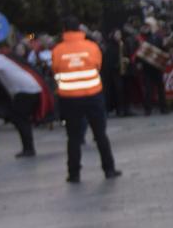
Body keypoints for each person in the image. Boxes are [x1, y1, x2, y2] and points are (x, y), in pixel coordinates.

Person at [51, 21, 122, 184]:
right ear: (79, 29)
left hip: (69, 98)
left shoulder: (58, 50)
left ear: (64, 30)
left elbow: (55, 69)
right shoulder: (91, 46)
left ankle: (74, 174)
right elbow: (98, 65)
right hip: (93, 95)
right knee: (100, 135)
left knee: (74, 138)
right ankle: (109, 169)